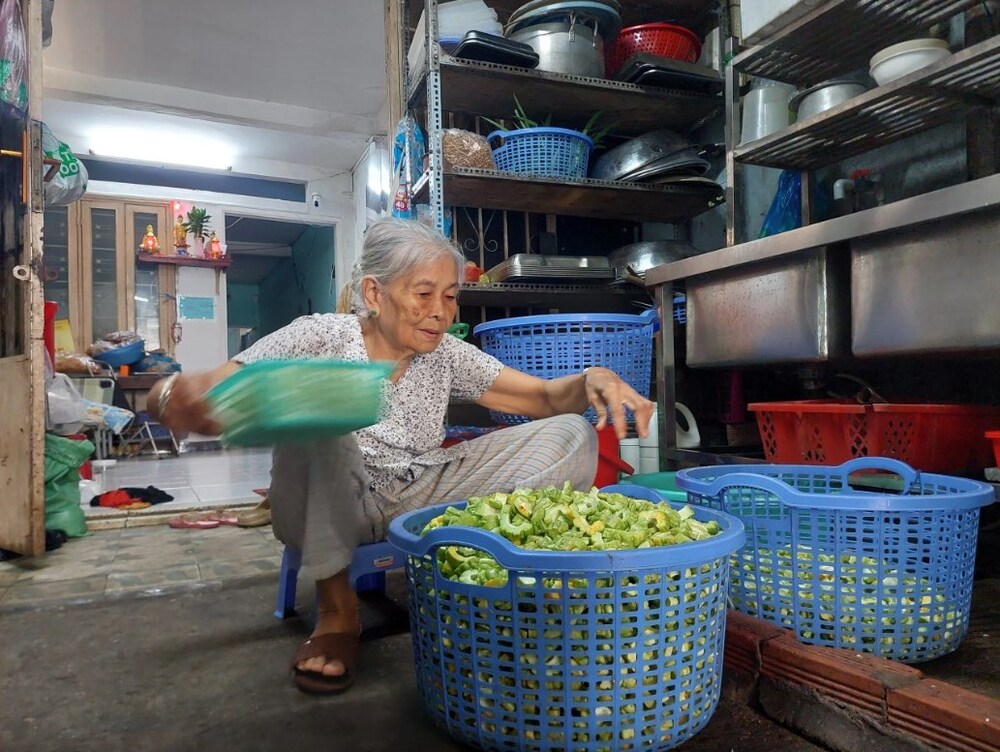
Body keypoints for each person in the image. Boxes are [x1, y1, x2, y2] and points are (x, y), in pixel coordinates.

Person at [148, 218, 655, 694]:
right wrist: (174, 395)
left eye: (451, 297)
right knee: (323, 418)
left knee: (572, 434)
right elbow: (211, 389)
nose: (441, 312)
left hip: (422, 493)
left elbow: (542, 399)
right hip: (333, 496)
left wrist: (592, 378)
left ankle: (497, 583)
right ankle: (337, 611)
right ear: (375, 293)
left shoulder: (445, 354)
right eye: (424, 294)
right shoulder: (319, 334)